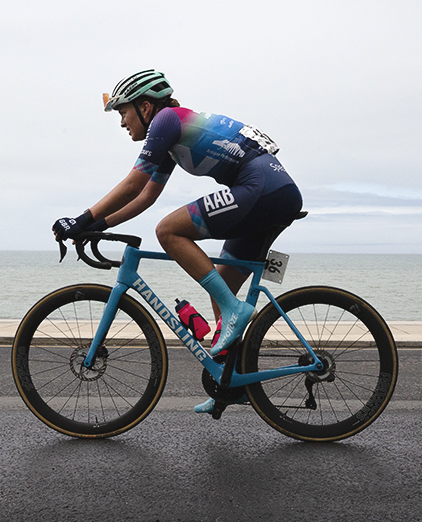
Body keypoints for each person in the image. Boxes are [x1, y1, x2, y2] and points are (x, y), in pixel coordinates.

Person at [52, 69, 303, 414]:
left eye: (123, 112)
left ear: (144, 106)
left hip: (261, 189)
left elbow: (131, 185)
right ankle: (230, 384)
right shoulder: (171, 140)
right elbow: (144, 197)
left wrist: (79, 220)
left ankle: (234, 312)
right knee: (223, 285)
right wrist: (95, 226)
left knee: (168, 231)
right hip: (272, 192)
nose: (123, 122)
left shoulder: (166, 120)